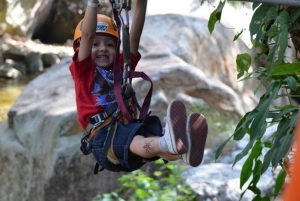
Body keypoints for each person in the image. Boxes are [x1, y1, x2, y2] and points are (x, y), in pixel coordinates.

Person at [69, 0, 208, 172]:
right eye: (95, 45)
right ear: (82, 47)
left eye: (110, 44)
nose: (103, 49)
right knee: (137, 139)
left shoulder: (120, 67)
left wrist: (141, 4)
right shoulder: (83, 70)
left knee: (149, 131)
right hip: (103, 138)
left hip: (126, 128)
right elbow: (88, 35)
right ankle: (169, 141)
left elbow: (133, 37)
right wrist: (93, 3)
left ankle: (182, 149)